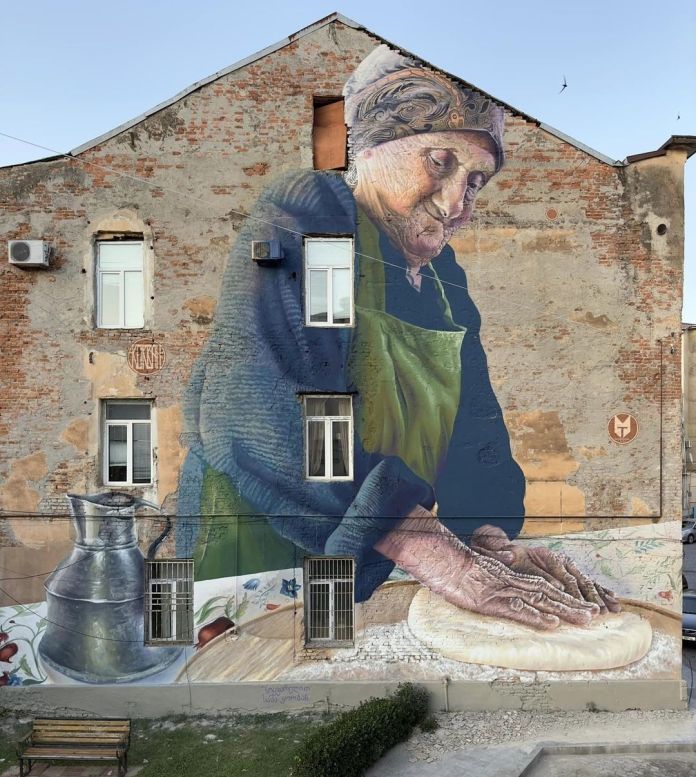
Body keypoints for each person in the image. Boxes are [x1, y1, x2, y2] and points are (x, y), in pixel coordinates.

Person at [178, 45, 619, 630]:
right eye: (440, 162)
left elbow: (474, 422)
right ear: (372, 149)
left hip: (368, 562)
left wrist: (486, 538)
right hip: (254, 553)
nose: (458, 202)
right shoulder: (309, 220)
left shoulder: (443, 277)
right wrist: (443, 559)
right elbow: (269, 414)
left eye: (477, 180)